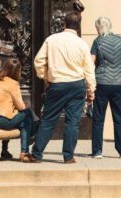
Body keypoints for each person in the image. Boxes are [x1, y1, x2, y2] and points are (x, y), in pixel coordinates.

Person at [27, 12, 96, 164]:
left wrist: (45, 77)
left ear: (64, 23)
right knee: (73, 122)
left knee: (48, 119)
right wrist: (91, 90)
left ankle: (37, 154)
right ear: (78, 26)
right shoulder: (82, 44)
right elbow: (89, 70)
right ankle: (68, 156)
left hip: (57, 84)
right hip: (77, 84)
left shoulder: (51, 40)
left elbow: (38, 61)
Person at [90, 16, 121, 159]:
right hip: (119, 84)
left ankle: (97, 151)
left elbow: (91, 62)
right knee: (119, 118)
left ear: (99, 28)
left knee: (98, 119)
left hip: (101, 83)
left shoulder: (98, 42)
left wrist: (89, 82)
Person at [0, 58, 35, 161]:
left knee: (21, 122)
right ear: (18, 71)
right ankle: (26, 149)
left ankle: (26, 144)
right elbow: (21, 107)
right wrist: (26, 105)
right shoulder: (13, 83)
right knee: (27, 113)